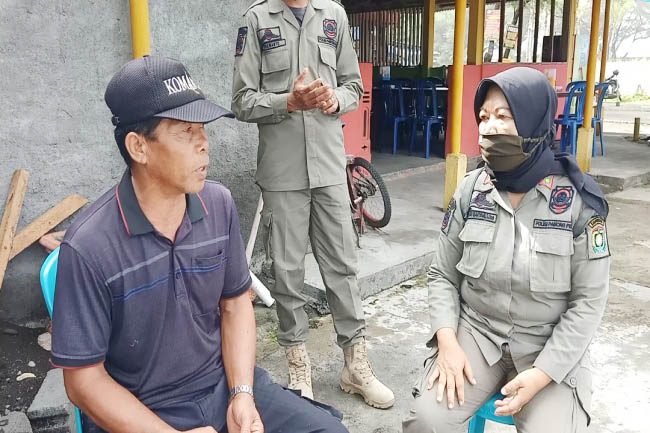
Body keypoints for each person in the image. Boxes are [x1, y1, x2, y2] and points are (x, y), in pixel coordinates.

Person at [51, 55, 349, 433]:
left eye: (203, 128)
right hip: (143, 411)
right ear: (138, 147)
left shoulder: (218, 204)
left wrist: (242, 392)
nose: (204, 143)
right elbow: (83, 382)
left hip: (223, 386)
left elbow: (235, 304)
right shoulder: (89, 246)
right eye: (184, 131)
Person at [402, 67, 611, 433]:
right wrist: (447, 342)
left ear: (534, 121)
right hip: (477, 336)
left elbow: (588, 302)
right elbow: (442, 274)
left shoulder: (578, 202)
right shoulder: (471, 190)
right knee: (426, 422)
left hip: (547, 344)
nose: (488, 127)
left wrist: (543, 374)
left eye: (503, 116)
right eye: (483, 117)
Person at [231, 0, 394, 409]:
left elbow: (354, 87)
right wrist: (288, 101)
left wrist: (334, 100)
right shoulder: (256, 20)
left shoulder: (333, 16)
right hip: (282, 172)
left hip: (327, 165)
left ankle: (355, 365)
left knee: (342, 264)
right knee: (286, 270)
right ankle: (298, 365)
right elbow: (242, 100)